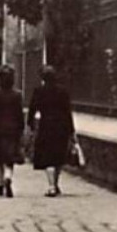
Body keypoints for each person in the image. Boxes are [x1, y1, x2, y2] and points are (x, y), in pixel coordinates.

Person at [28, 65, 76, 197]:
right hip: (61, 127)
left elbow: (33, 109)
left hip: (46, 127)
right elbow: (68, 112)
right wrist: (71, 130)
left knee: (48, 157)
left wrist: (31, 125)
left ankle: (51, 186)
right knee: (58, 157)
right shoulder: (63, 91)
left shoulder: (39, 91)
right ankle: (55, 183)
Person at [0, 65, 25, 197]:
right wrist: (21, 128)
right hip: (12, 130)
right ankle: (8, 177)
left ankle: (0, 184)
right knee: (10, 159)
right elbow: (20, 114)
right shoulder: (17, 95)